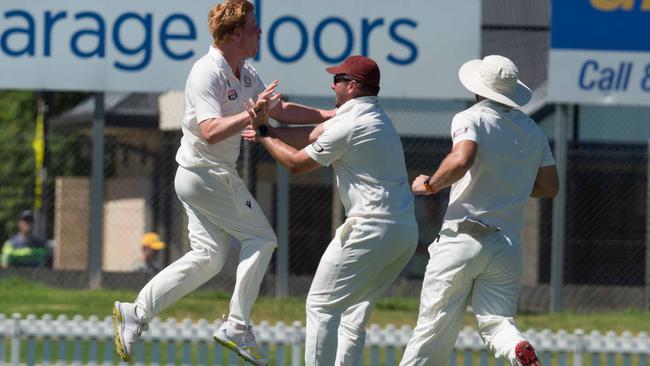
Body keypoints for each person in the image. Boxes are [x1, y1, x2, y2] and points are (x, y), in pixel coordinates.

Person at [112, 1, 335, 364]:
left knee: (209, 258)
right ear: (234, 34)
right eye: (253, 27)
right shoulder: (207, 72)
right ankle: (237, 325)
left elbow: (278, 110)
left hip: (202, 177)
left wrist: (330, 113)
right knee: (262, 239)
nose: (259, 32)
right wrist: (249, 114)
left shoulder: (245, 71)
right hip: (206, 174)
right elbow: (211, 130)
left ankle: (136, 312)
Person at [247, 55, 419, 366]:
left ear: (352, 86)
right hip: (403, 232)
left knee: (321, 307)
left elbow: (297, 164)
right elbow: (310, 136)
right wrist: (267, 131)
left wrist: (263, 131)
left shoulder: (349, 123)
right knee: (353, 315)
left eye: (337, 79)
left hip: (370, 228)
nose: (332, 83)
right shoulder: (375, 117)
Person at [399, 55, 559, 366]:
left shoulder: (470, 117)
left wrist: (428, 185)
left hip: (461, 237)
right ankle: (518, 349)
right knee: (498, 323)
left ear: (478, 87)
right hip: (506, 245)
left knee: (433, 328)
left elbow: (461, 160)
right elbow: (550, 187)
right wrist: (511, 186)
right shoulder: (533, 131)